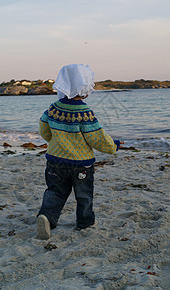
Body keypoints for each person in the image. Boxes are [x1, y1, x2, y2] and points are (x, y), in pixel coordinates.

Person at [37, 64, 120, 240]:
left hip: (55, 161)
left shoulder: (53, 109)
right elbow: (96, 138)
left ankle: (46, 217)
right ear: (85, 89)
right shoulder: (85, 113)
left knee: (54, 191)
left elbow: (44, 129)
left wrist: (54, 142)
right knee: (84, 194)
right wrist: (113, 146)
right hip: (81, 164)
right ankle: (85, 222)